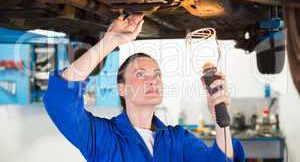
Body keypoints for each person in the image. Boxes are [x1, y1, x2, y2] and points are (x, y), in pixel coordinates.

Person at [43, 14, 245, 162]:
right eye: (141, 74)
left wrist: (220, 118)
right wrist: (110, 41)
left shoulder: (177, 140)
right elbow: (59, 99)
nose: (153, 80)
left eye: (157, 74)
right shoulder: (103, 137)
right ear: (121, 89)